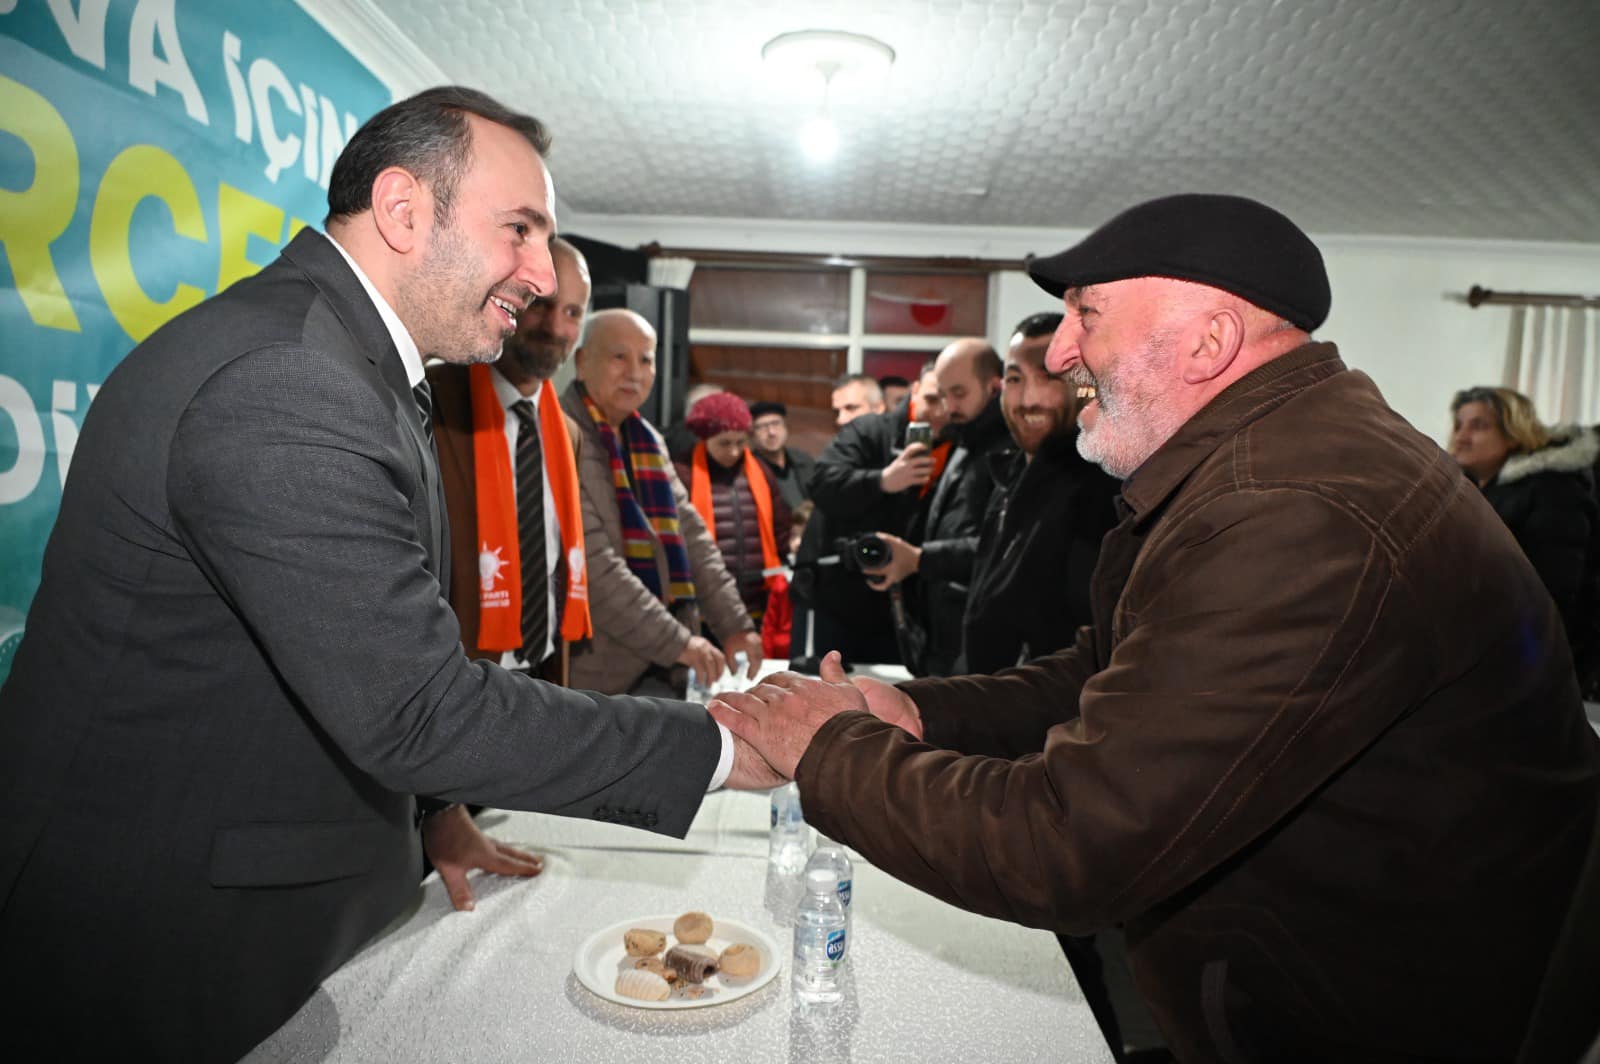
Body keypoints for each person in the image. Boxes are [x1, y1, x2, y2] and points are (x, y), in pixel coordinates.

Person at [709, 194, 1600, 1062]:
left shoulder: (1295, 512)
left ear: (1210, 343)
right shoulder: (1267, 462)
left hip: (1388, 1019)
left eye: (1087, 317)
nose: (1060, 352)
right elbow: (1112, 670)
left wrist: (829, 749)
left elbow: (1072, 841)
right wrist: (919, 712)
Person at [0, 87, 782, 1063]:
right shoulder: (289, 379)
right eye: (520, 231)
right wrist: (724, 745)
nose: (542, 276)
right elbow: (416, 706)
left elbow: (353, 646)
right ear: (404, 210)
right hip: (160, 941)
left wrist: (438, 816)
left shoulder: (352, 364)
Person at [562, 309, 763, 696]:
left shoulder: (648, 438)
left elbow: (693, 537)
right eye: (619, 356)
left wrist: (734, 625)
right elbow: (591, 566)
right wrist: (679, 643)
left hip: (663, 666)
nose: (634, 373)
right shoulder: (557, 431)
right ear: (582, 361)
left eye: (646, 359)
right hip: (590, 671)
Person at [429, 237, 591, 687]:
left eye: (573, 312)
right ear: (507, 298)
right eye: (543, 304)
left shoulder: (568, 433)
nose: (555, 326)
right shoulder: (432, 401)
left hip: (543, 673)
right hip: (457, 678)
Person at [959, 312, 1120, 674]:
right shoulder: (1010, 475)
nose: (1029, 399)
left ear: (1083, 384)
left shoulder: (1098, 491)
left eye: (1049, 378)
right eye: (1016, 379)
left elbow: (1086, 648)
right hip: (989, 698)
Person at [858, 339, 1010, 676]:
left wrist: (918, 558)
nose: (948, 406)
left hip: (979, 642)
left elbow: (1001, 549)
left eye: (959, 393)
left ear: (993, 387)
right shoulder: (964, 442)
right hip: (946, 634)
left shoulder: (1007, 450)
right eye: (942, 395)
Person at [1450, 385, 1600, 692]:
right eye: (1458, 425)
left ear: (1514, 432)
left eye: (1479, 426)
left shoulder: (1552, 491)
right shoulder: (1472, 491)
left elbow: (1554, 593)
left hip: (1531, 663)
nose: (1461, 436)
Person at [796, 376, 933, 665]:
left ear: (879, 407)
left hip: (900, 599)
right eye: (837, 411)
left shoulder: (897, 436)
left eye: (851, 408)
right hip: (836, 595)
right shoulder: (854, 446)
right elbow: (823, 484)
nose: (842, 419)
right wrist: (883, 481)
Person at [674, 392, 791, 628]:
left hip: (757, 601)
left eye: (740, 442)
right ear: (704, 438)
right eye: (724, 443)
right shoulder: (683, 472)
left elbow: (780, 530)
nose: (734, 451)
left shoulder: (761, 471)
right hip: (703, 604)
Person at [749, 399, 816, 510]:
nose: (771, 432)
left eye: (776, 424)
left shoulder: (805, 460)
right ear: (752, 434)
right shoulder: (748, 469)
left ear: (785, 427)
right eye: (762, 427)